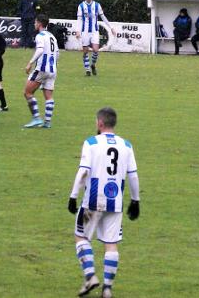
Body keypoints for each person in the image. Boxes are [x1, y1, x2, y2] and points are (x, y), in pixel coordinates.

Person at [67, 107, 140, 298]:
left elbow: (83, 171)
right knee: (111, 243)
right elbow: (133, 175)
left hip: (93, 200)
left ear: (100, 123)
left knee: (81, 237)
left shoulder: (91, 143)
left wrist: (73, 195)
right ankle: (107, 289)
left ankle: (90, 276)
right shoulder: (127, 145)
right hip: (115, 201)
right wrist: (135, 200)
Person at [23, 14, 59, 129]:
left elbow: (40, 50)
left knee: (28, 92)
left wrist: (30, 63)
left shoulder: (40, 36)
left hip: (42, 69)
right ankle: (47, 122)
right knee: (48, 96)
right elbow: (57, 53)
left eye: (35, 22)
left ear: (39, 23)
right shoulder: (52, 36)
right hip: (53, 70)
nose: (34, 24)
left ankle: (36, 118)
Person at [76, 0, 116, 77]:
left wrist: (111, 28)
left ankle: (93, 64)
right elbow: (79, 20)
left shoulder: (97, 5)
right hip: (84, 32)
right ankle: (87, 70)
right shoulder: (81, 6)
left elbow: (103, 17)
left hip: (94, 31)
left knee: (95, 50)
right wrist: (78, 31)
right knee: (85, 51)